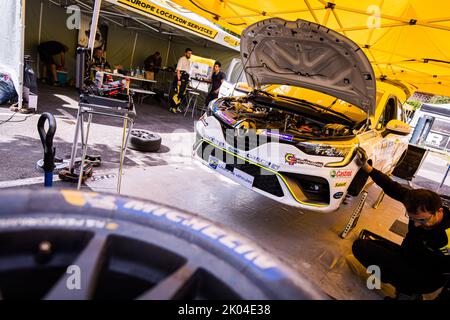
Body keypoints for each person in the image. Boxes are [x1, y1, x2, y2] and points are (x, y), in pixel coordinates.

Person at [351, 147, 450, 299]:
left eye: (422, 220)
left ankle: (409, 292)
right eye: (412, 219)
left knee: (365, 251)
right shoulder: (418, 202)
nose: (416, 225)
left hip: (427, 276)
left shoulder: (447, 236)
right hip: (409, 255)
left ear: (439, 212)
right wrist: (369, 169)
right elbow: (392, 187)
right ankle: (402, 283)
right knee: (362, 246)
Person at [170, 48, 192, 113]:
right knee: (177, 93)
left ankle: (177, 107)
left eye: (190, 53)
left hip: (185, 78)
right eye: (188, 53)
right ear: (185, 53)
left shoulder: (188, 61)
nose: (189, 54)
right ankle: (173, 107)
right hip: (180, 77)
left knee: (182, 93)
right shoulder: (182, 59)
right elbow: (178, 70)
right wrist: (179, 79)